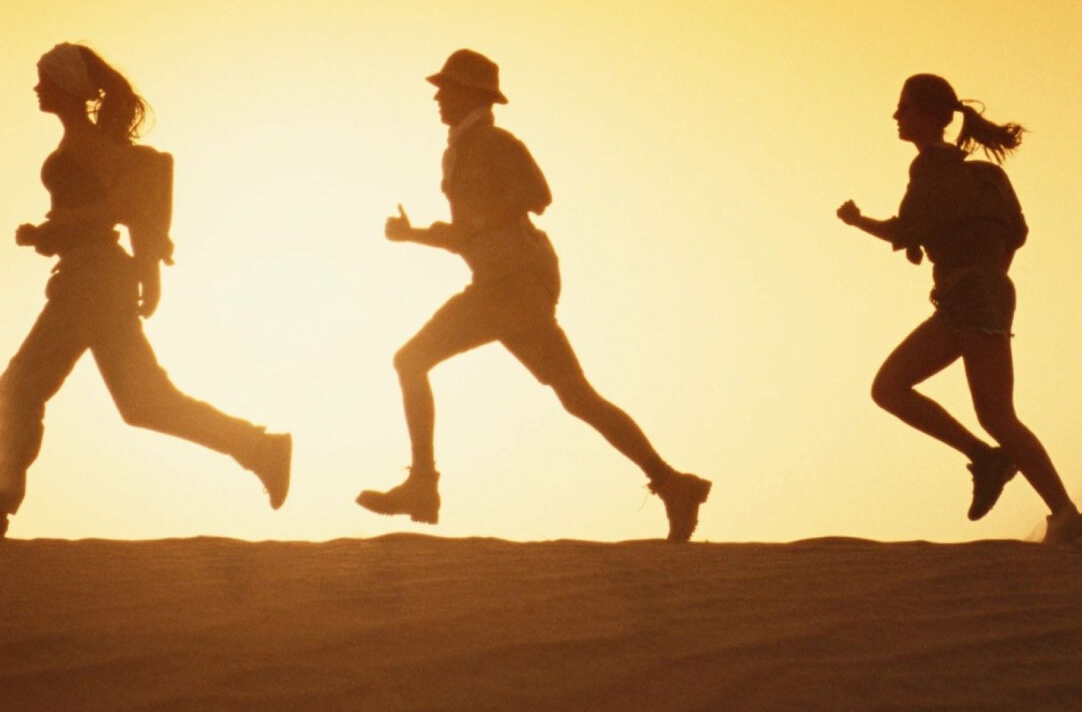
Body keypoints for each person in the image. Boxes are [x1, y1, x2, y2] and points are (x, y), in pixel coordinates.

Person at [356, 50, 710, 538]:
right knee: (577, 397)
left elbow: (536, 196)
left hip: (513, 284)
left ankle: (422, 484)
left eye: (448, 88)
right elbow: (468, 233)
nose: (438, 96)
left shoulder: (497, 142)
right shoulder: (458, 151)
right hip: (507, 285)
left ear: (475, 96)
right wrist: (414, 234)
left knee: (410, 360)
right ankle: (673, 484)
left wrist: (465, 228)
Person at [0, 44, 291, 539]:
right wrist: (52, 235)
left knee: (18, 389)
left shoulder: (87, 143)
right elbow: (136, 191)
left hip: (91, 283)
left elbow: (135, 195)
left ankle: (1, 501)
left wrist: (76, 224)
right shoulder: (82, 141)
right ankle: (258, 448)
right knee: (143, 402)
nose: (35, 88)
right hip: (91, 278)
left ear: (66, 88)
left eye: (43, 80)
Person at [837, 73, 1082, 545]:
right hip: (986, 292)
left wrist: (857, 222)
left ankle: (1060, 511)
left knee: (982, 411)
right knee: (909, 391)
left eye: (905, 107)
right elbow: (1013, 234)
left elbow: (904, 231)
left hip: (970, 295)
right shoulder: (987, 175)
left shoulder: (930, 168)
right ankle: (998, 466)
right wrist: (980, 270)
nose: (897, 116)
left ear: (931, 116)